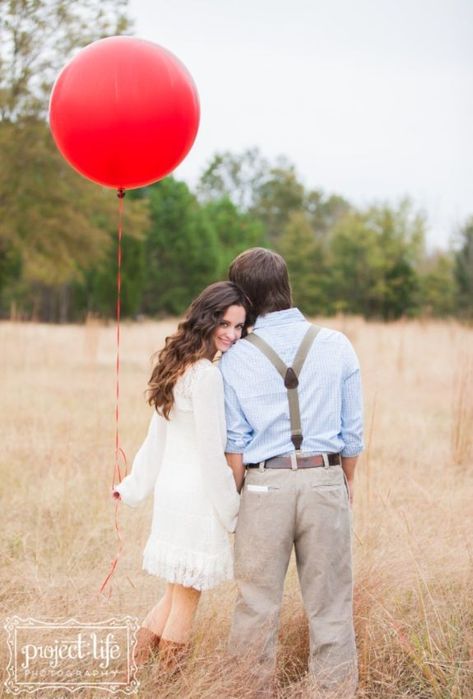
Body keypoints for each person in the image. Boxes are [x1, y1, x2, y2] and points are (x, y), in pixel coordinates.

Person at [220, 248, 363, 697]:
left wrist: (242, 498)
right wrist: (344, 482)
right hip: (324, 479)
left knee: (255, 607)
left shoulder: (234, 357)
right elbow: (352, 435)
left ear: (244, 295)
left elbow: (235, 446)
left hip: (263, 484)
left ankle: (246, 691)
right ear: (287, 287)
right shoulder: (337, 344)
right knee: (332, 608)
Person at [112, 281, 249, 672]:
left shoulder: (178, 366)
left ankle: (134, 673)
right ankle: (171, 684)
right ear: (206, 319)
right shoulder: (205, 376)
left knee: (175, 592)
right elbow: (211, 454)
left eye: (239, 327)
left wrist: (134, 487)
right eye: (225, 324)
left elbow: (155, 439)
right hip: (197, 498)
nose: (232, 334)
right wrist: (232, 510)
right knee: (187, 598)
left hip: (173, 495)